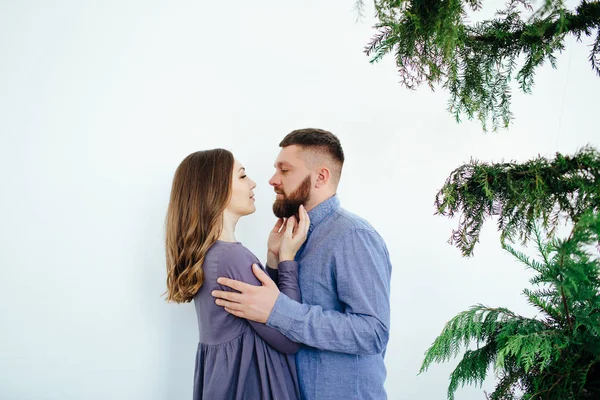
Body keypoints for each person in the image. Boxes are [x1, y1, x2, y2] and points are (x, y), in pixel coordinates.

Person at [212, 129, 393, 400]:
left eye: (284, 171)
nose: (272, 180)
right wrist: (274, 262)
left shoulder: (352, 236)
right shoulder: (291, 237)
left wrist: (279, 311)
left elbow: (373, 333)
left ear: (321, 176)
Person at [164, 148, 310, 400]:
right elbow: (289, 337)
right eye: (242, 176)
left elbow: (263, 312)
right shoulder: (232, 257)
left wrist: (273, 259)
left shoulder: (212, 255)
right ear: (216, 189)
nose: (253, 183)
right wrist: (288, 260)